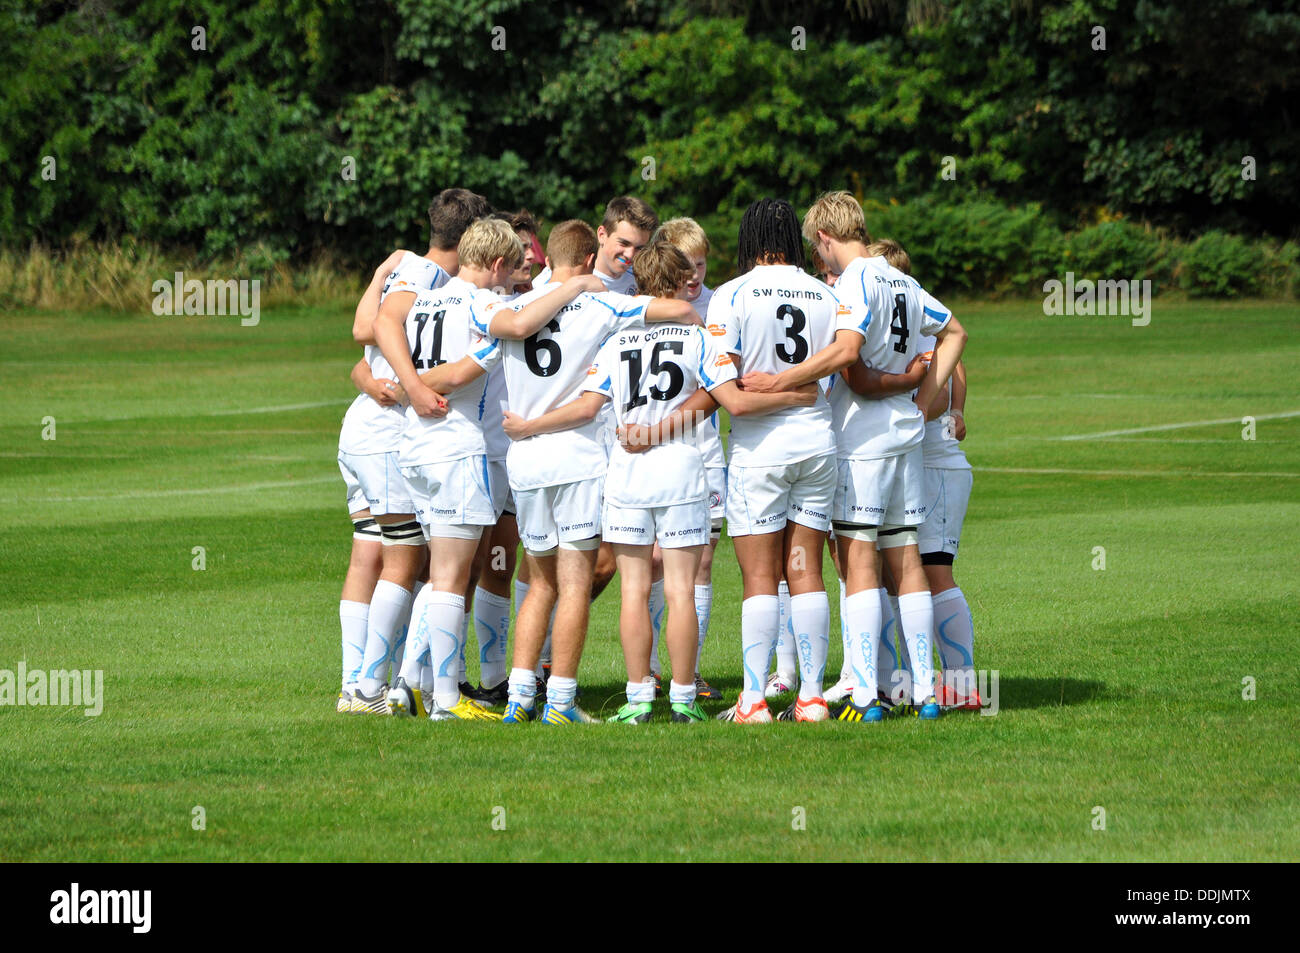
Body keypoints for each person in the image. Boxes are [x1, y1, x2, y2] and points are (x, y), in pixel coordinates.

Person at [751, 191, 967, 722]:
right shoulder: (904, 280)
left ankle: (867, 694)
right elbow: (955, 331)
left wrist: (779, 379)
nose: (818, 260)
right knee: (908, 559)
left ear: (824, 239)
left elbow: (848, 354)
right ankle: (926, 693)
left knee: (859, 560)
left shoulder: (853, 281)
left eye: (816, 250)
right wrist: (920, 401)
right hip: (905, 439)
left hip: (862, 442)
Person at [489, 221, 698, 724]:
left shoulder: (515, 305)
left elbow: (508, 329)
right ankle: (560, 701)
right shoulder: (602, 302)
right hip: (577, 460)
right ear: (588, 259)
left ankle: (519, 698)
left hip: (526, 458)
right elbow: (678, 310)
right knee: (576, 584)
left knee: (538, 583)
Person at [336, 188, 490, 714]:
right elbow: (375, 326)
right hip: (386, 431)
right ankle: (369, 688)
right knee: (406, 562)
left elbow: (363, 339)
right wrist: (415, 386)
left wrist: (381, 273)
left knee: (377, 555)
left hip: (368, 428)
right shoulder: (430, 277)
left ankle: (365, 685)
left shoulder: (412, 268)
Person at [703, 198, 851, 724]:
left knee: (760, 579)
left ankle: (753, 700)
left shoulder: (731, 294)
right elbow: (829, 375)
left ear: (751, 239)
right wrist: (795, 395)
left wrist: (766, 392)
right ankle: (811, 698)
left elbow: (731, 391)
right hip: (816, 444)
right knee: (806, 570)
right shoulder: (824, 291)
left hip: (759, 453)